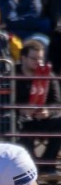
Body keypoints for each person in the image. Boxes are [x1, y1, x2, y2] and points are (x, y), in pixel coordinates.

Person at [13, 38, 61, 171]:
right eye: (34, 58)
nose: (38, 62)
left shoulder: (48, 74)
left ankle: (47, 164)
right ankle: (31, 166)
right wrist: (20, 109)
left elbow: (57, 102)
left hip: (42, 119)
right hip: (21, 121)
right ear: (23, 58)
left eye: (41, 59)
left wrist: (48, 111)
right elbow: (5, 99)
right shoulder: (12, 74)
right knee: (17, 127)